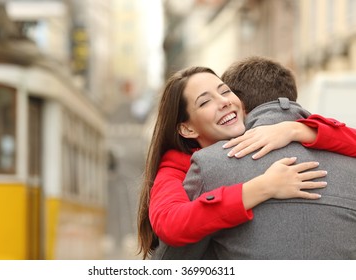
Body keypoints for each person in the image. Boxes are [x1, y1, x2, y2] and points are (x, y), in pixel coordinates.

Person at [137, 65, 356, 259]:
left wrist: (296, 129)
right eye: (205, 102)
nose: (223, 102)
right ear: (187, 128)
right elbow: (171, 223)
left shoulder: (276, 136)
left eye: (225, 91)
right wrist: (262, 187)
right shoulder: (175, 167)